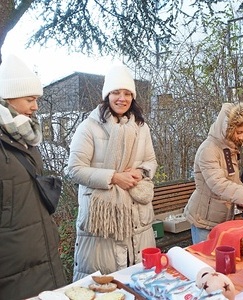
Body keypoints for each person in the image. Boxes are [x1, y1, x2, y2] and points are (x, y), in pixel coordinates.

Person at [68, 64, 158, 281]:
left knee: (138, 281)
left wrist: (140, 172)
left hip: (137, 218)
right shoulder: (88, 127)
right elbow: (75, 170)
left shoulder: (141, 127)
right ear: (107, 95)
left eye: (127, 93)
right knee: (104, 284)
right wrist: (114, 177)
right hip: (102, 223)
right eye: (116, 92)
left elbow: (151, 162)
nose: (122, 98)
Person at [0, 54, 66, 299]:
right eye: (30, 99)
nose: (35, 106)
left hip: (40, 253)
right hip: (11, 268)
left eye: (36, 99)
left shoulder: (24, 136)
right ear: (7, 97)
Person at [183, 101, 243, 244]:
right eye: (239, 132)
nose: (241, 137)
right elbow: (220, 185)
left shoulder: (228, 150)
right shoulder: (209, 150)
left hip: (221, 218)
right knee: (205, 262)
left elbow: (233, 181)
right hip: (204, 220)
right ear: (228, 128)